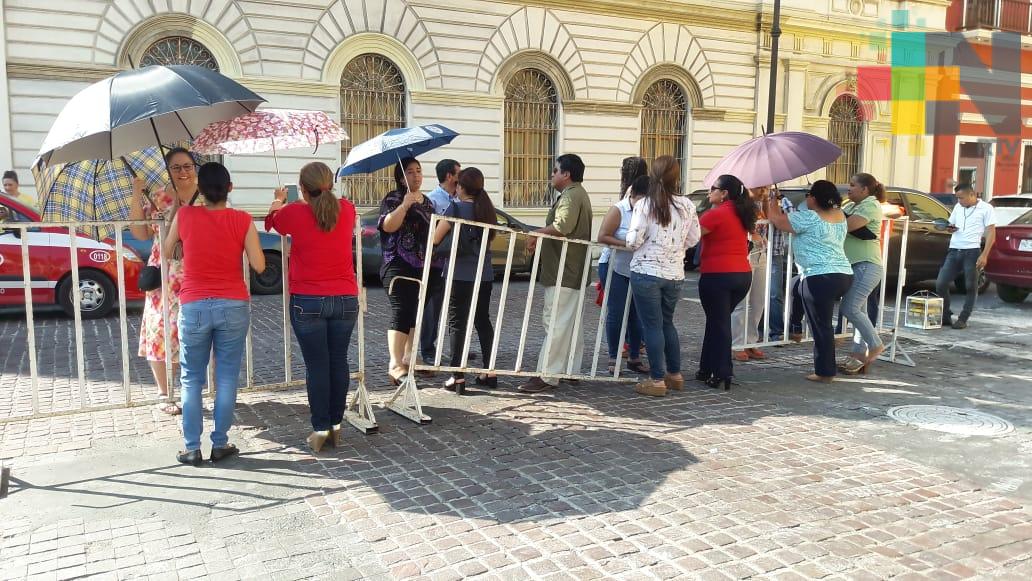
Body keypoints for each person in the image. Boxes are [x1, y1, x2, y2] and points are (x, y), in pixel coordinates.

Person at [164, 162, 265, 466]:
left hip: (193, 303)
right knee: (226, 377)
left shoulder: (185, 215)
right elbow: (259, 265)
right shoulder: (242, 219)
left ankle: (192, 447)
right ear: (229, 188)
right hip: (232, 303)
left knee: (191, 378)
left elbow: (168, 251)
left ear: (200, 190)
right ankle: (220, 442)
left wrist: (183, 233)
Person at [265, 162, 358, 453]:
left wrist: (279, 200)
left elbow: (272, 221)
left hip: (308, 299)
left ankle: (320, 428)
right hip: (344, 297)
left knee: (317, 365)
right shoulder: (348, 209)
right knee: (338, 360)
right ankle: (337, 425)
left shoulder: (294, 212)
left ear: (302, 188)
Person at [129, 147, 206, 416]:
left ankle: (189, 390)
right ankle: (164, 392)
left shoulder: (206, 197)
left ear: (195, 167)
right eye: (176, 167)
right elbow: (139, 233)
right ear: (168, 170)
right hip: (163, 274)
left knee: (193, 333)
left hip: (196, 272)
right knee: (160, 331)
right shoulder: (159, 196)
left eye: (187, 166)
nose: (183, 172)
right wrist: (137, 194)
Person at [625, 157, 701, 396]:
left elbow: (633, 240)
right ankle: (675, 374)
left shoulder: (645, 204)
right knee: (667, 323)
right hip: (675, 273)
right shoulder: (687, 204)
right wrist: (676, 247)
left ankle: (657, 379)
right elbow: (694, 237)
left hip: (646, 271)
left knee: (652, 326)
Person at [518, 154, 593, 393]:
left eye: (555, 170)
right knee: (569, 323)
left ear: (566, 174)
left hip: (565, 269)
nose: (552, 175)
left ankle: (548, 374)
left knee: (557, 322)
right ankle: (570, 368)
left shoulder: (571, 195)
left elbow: (562, 226)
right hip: (571, 269)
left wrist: (537, 233)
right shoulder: (577, 194)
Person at [768, 180, 853, 383]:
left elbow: (777, 221)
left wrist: (772, 201)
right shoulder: (839, 215)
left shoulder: (809, 217)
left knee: (821, 326)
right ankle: (795, 327)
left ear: (814, 198)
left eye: (809, 195)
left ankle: (825, 372)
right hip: (842, 274)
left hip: (819, 276)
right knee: (796, 286)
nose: (807, 199)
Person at [431, 167, 497, 394]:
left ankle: (457, 377)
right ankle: (490, 371)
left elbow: (436, 238)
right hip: (484, 274)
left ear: (461, 187)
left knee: (457, 323)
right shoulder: (486, 211)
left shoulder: (455, 208)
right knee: (483, 320)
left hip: (459, 274)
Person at [378, 157, 440, 384]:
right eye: (411, 172)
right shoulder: (393, 198)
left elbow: (433, 234)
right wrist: (404, 205)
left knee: (415, 311)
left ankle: (409, 357)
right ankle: (395, 363)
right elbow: (387, 225)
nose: (416, 175)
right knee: (401, 308)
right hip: (396, 262)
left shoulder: (428, 203)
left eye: (419, 171)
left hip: (424, 265)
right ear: (400, 177)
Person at [696, 175, 756, 391]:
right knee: (716, 321)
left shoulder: (716, 214)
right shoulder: (742, 213)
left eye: (713, 188)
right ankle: (706, 368)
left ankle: (722, 371)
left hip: (718, 274)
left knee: (719, 324)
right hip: (742, 275)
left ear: (724, 194)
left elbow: (690, 236)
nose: (709, 192)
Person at [597, 157, 649, 375]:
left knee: (637, 314)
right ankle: (613, 356)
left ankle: (634, 356)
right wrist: (627, 245)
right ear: (634, 195)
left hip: (639, 267)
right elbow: (603, 236)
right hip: (615, 265)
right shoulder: (619, 209)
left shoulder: (651, 210)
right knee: (617, 312)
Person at [838, 173, 886, 374]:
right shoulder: (849, 204)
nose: (848, 188)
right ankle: (858, 356)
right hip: (853, 265)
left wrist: (835, 213)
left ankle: (875, 344)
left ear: (865, 189)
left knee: (849, 308)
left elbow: (848, 225)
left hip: (866, 265)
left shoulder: (871, 205)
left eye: (852, 185)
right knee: (860, 311)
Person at [935, 183, 996, 329]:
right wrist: (948, 228)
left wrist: (984, 255)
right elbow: (952, 225)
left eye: (961, 198)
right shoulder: (958, 207)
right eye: (957, 198)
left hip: (972, 251)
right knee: (941, 283)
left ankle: (963, 318)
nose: (959, 201)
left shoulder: (986, 208)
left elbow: (991, 233)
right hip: (954, 250)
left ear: (972, 195)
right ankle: (946, 316)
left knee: (970, 286)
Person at [420, 159, 460, 365]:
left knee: (454, 305)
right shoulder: (433, 200)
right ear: (449, 176)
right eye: (458, 173)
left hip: (457, 260)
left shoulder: (460, 198)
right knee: (432, 308)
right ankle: (427, 348)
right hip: (437, 261)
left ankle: (455, 346)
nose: (460, 177)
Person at [731, 185, 772, 361]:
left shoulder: (761, 204)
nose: (763, 191)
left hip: (760, 253)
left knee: (758, 300)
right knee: (742, 302)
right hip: (745, 253)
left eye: (767, 187)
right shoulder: (740, 205)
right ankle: (737, 343)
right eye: (760, 188)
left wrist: (768, 202)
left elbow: (772, 219)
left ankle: (751, 341)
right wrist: (753, 232)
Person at [767, 190, 795, 341]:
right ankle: (757, 331)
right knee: (755, 296)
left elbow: (792, 215)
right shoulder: (750, 200)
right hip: (755, 253)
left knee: (774, 293)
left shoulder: (779, 200)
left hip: (774, 253)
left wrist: (779, 199)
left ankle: (776, 331)